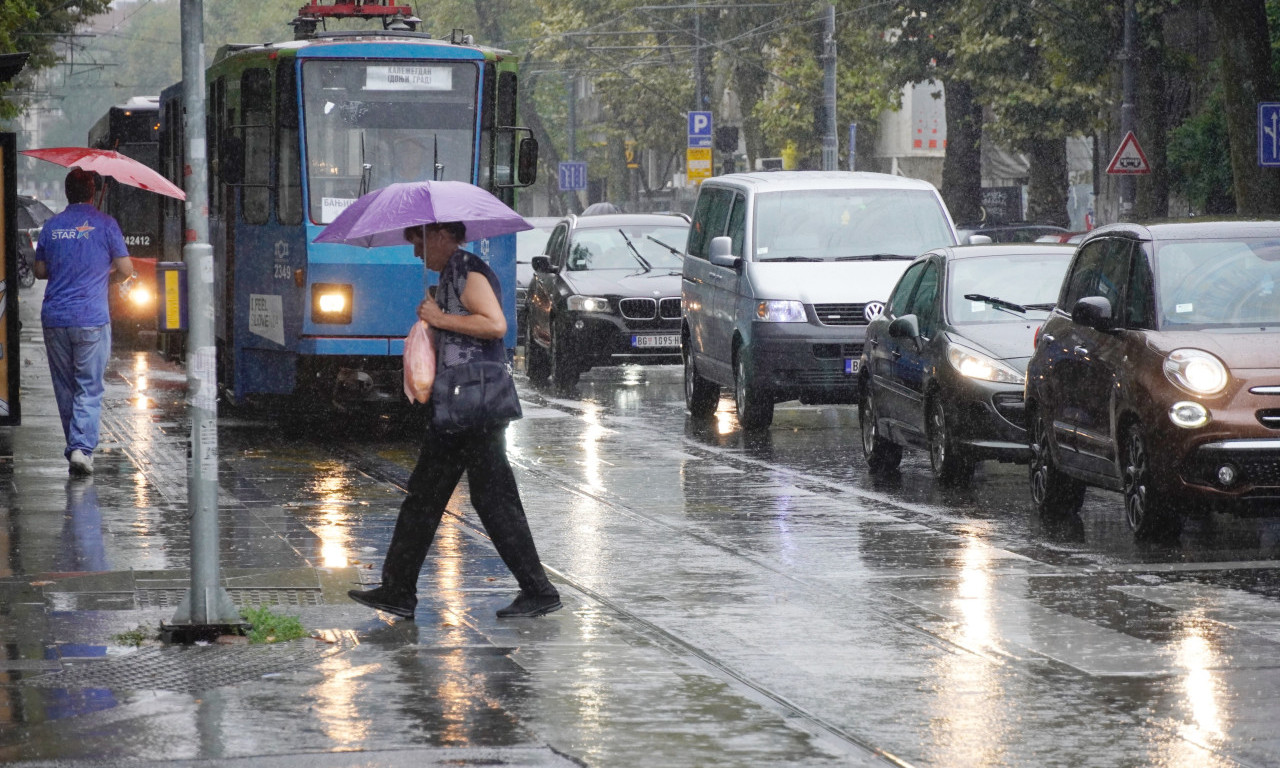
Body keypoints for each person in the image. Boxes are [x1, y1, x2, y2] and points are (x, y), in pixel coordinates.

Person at [348, 221, 561, 619]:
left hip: (474, 405)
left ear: (442, 236)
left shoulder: (468, 270)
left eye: (419, 242)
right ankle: (399, 589)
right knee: (431, 495)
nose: (415, 253)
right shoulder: (450, 274)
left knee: (477, 499)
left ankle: (538, 590)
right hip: (459, 405)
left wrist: (442, 318)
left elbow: (494, 324)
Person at [33, 168, 132, 476]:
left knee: (65, 387)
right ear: (92, 192)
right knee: (88, 387)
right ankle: (81, 448)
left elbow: (39, 271)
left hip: (55, 318)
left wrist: (65, 268)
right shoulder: (106, 225)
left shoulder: (51, 225)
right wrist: (104, 273)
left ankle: (75, 446)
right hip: (91, 318)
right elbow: (126, 269)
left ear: (67, 193)